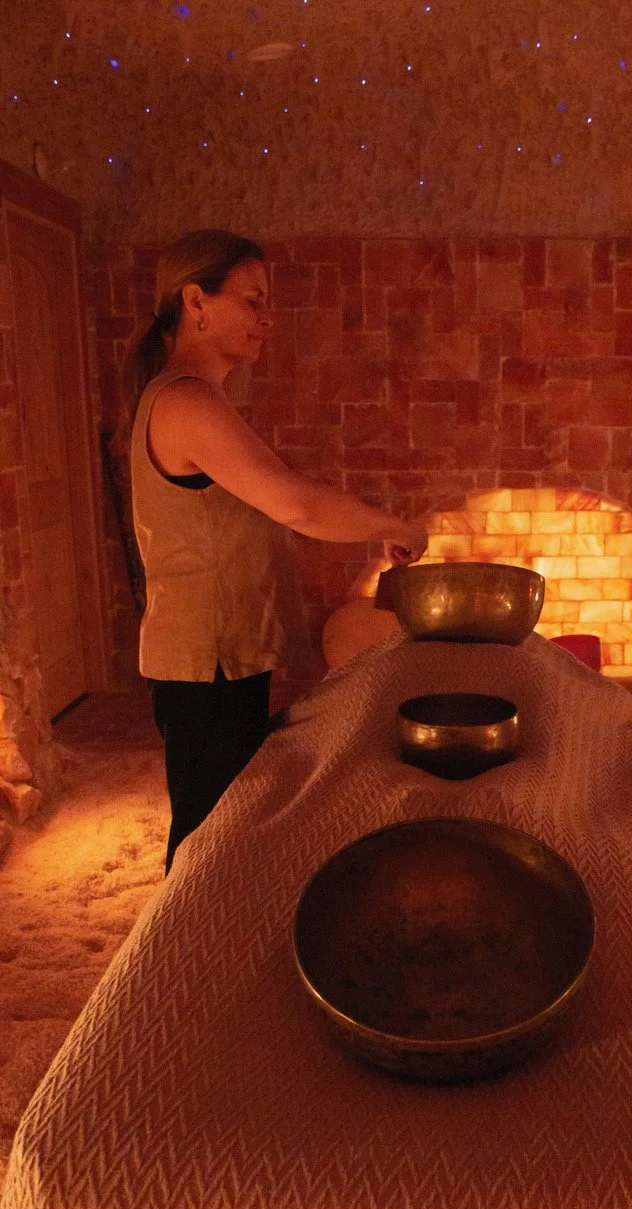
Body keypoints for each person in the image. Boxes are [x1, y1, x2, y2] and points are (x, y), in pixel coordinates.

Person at [121, 229, 427, 874]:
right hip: (202, 660)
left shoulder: (195, 397)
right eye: (253, 300)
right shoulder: (185, 401)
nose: (268, 317)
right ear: (196, 301)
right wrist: (391, 524)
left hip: (219, 654)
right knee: (207, 842)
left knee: (226, 827)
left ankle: (198, 954)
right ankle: (172, 968)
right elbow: (296, 505)